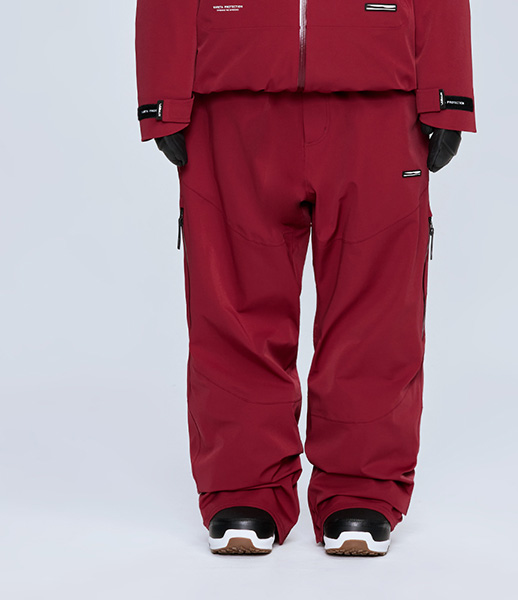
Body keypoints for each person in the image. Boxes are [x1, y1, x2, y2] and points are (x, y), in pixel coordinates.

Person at [135, 0, 476, 556]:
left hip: (379, 90)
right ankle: (244, 488)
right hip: (231, 87)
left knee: (378, 306)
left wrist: (447, 92)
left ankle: (360, 489)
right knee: (233, 303)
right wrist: (161, 94)